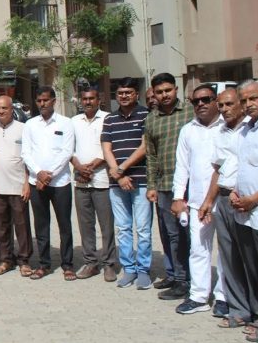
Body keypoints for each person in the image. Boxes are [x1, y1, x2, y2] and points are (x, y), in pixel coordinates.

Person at [169, 84, 225, 314]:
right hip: (196, 202)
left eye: (206, 99)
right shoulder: (188, 130)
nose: (201, 104)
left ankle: (223, 297)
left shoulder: (227, 127)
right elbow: (182, 166)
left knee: (225, 251)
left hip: (224, 201)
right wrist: (178, 197)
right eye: (196, 101)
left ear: (216, 101)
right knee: (199, 249)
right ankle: (199, 296)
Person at [199, 87, 249, 325]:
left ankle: (257, 312)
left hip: (248, 202)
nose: (225, 109)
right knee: (229, 257)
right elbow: (218, 170)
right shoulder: (220, 132)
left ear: (241, 104)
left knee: (251, 258)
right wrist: (209, 201)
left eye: (230, 104)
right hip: (224, 200)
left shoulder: (252, 129)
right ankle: (239, 310)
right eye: (221, 105)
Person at [144, 72, 193, 299]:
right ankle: (176, 276)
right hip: (164, 185)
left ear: (176, 89)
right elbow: (151, 156)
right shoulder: (151, 119)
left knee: (188, 234)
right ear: (154, 94)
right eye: (159, 92)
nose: (164, 95)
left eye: (168, 90)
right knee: (170, 234)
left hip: (190, 185)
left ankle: (188, 280)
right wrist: (151, 185)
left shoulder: (190, 112)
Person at [101, 77, 151, 289]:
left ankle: (144, 270)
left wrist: (121, 169)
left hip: (141, 181)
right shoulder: (110, 119)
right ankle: (129, 269)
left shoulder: (146, 115)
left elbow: (145, 147)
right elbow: (106, 148)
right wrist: (119, 176)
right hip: (117, 184)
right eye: (120, 93)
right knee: (123, 228)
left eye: (128, 92)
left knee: (143, 229)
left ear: (136, 94)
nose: (124, 96)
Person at [22, 86, 76, 281]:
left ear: (54, 101)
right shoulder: (30, 124)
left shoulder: (66, 123)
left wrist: (48, 175)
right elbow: (26, 153)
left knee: (65, 225)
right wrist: (39, 173)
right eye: (39, 100)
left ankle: (67, 264)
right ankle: (44, 264)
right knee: (41, 225)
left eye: (45, 100)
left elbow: (67, 152)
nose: (42, 104)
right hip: (37, 182)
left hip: (60, 182)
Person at [70, 87, 116, 282]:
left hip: (102, 181)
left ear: (99, 100)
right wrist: (80, 168)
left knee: (107, 226)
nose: (88, 102)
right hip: (81, 181)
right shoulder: (74, 121)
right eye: (85, 99)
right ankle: (91, 262)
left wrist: (92, 167)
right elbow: (68, 148)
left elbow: (110, 147)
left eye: (91, 98)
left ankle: (109, 264)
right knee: (85, 225)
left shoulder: (108, 119)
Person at [0, 96, 33, 277]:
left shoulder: (23, 128)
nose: (1, 111)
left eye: (4, 108)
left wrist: (27, 183)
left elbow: (29, 157)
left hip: (18, 186)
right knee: (0, 227)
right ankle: (6, 259)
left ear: (11, 109)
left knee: (22, 225)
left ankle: (24, 261)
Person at [232, 79, 258, 340]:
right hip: (245, 213)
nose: (248, 104)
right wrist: (235, 191)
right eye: (244, 100)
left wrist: (254, 198)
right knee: (253, 268)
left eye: (253, 98)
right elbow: (242, 167)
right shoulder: (245, 130)